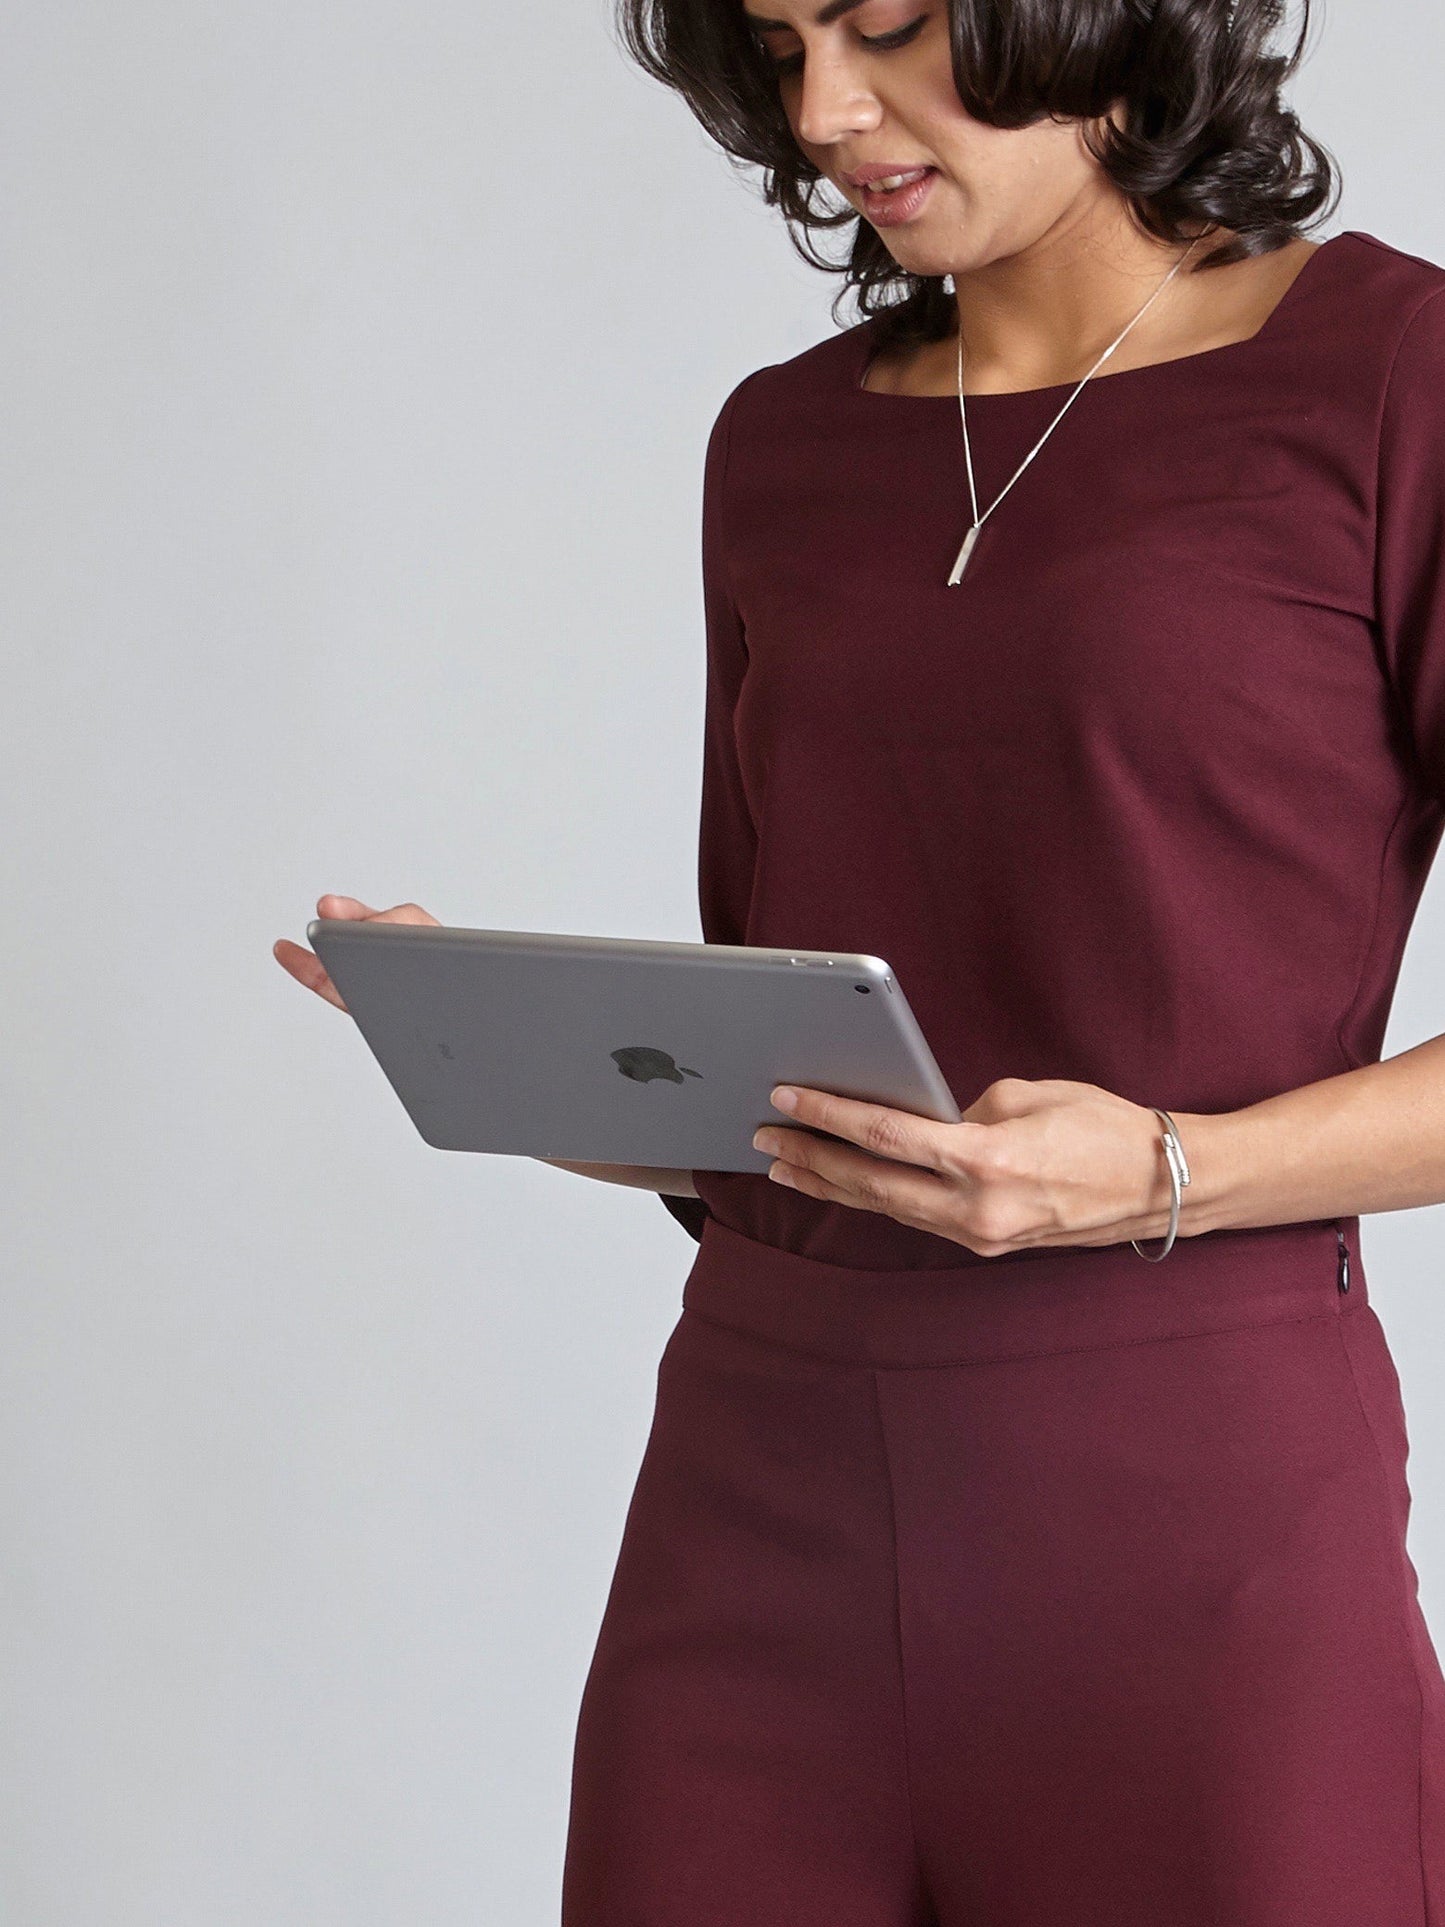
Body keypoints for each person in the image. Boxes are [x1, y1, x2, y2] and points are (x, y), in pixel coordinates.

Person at [277, 0, 1445, 1918]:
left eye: (889, 27)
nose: (825, 110)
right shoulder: (782, 445)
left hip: (1193, 1491)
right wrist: (560, 1061)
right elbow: (804, 1038)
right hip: (760, 1480)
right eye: (779, 44)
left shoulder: (1395, 379)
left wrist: (1170, 1168)